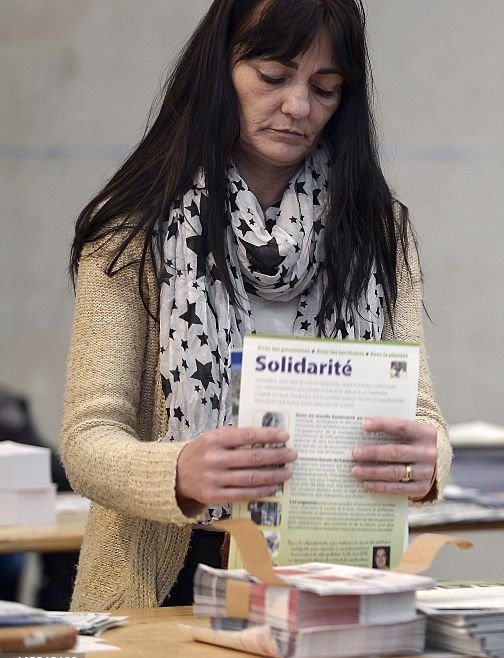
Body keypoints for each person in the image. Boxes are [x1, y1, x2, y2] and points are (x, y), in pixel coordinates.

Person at [61, 0, 451, 611]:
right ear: (221, 71)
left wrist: (427, 461)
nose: (298, 107)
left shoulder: (378, 230)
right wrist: (179, 472)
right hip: (167, 578)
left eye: (325, 89)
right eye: (272, 78)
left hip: (330, 573)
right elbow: (86, 440)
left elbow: (420, 410)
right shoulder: (133, 228)